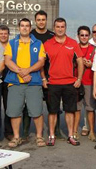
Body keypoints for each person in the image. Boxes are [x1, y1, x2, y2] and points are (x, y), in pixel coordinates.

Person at [4, 18, 46, 148]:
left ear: (30, 27)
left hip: (33, 82)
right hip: (15, 82)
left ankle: (39, 136)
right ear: (19, 27)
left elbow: (41, 62)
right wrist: (21, 72)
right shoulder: (12, 43)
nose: (25, 28)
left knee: (36, 111)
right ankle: (16, 137)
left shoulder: (38, 43)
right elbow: (7, 61)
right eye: (22, 26)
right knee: (14, 111)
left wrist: (28, 71)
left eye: (27, 26)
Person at [44, 18, 84, 146]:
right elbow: (41, 63)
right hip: (53, 83)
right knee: (52, 111)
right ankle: (51, 136)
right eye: (57, 26)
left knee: (70, 110)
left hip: (70, 83)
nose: (60, 29)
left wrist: (79, 79)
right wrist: (44, 79)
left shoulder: (73, 43)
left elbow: (80, 61)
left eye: (62, 26)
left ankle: (71, 136)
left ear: (65, 28)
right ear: (54, 28)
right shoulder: (47, 44)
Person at [30, 10, 62, 140]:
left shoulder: (52, 36)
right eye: (39, 19)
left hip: (51, 76)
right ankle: (26, 132)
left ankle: (56, 131)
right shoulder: (30, 35)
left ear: (46, 21)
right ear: (35, 21)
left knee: (53, 106)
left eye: (43, 19)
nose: (41, 22)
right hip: (33, 75)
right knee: (31, 106)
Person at [74, 25, 96, 141]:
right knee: (76, 108)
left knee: (90, 108)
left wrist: (91, 64)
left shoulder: (94, 49)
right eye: (81, 35)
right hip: (76, 82)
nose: (84, 37)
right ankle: (74, 131)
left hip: (89, 81)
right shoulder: (74, 47)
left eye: (86, 35)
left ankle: (92, 131)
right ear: (78, 36)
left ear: (89, 36)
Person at [0, 25, 14, 141]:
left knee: (9, 107)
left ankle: (9, 132)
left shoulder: (13, 46)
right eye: (1, 33)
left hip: (9, 80)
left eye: (5, 33)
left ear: (8, 35)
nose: (3, 35)